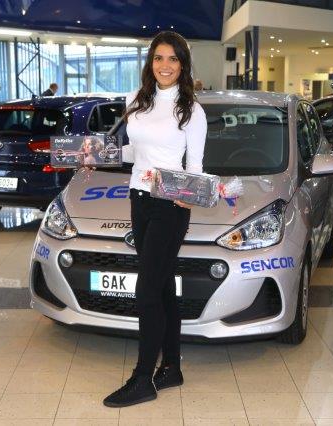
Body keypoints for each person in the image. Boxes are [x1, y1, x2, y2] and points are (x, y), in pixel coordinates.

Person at [103, 31, 207, 408]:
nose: (165, 66)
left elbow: (195, 166)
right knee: (161, 287)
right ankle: (172, 367)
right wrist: (96, 153)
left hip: (170, 204)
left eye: (173, 59)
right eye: (159, 58)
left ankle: (143, 377)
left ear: (183, 64)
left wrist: (187, 197)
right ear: (150, 62)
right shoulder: (135, 99)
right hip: (139, 198)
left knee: (146, 291)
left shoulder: (191, 110)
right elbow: (135, 151)